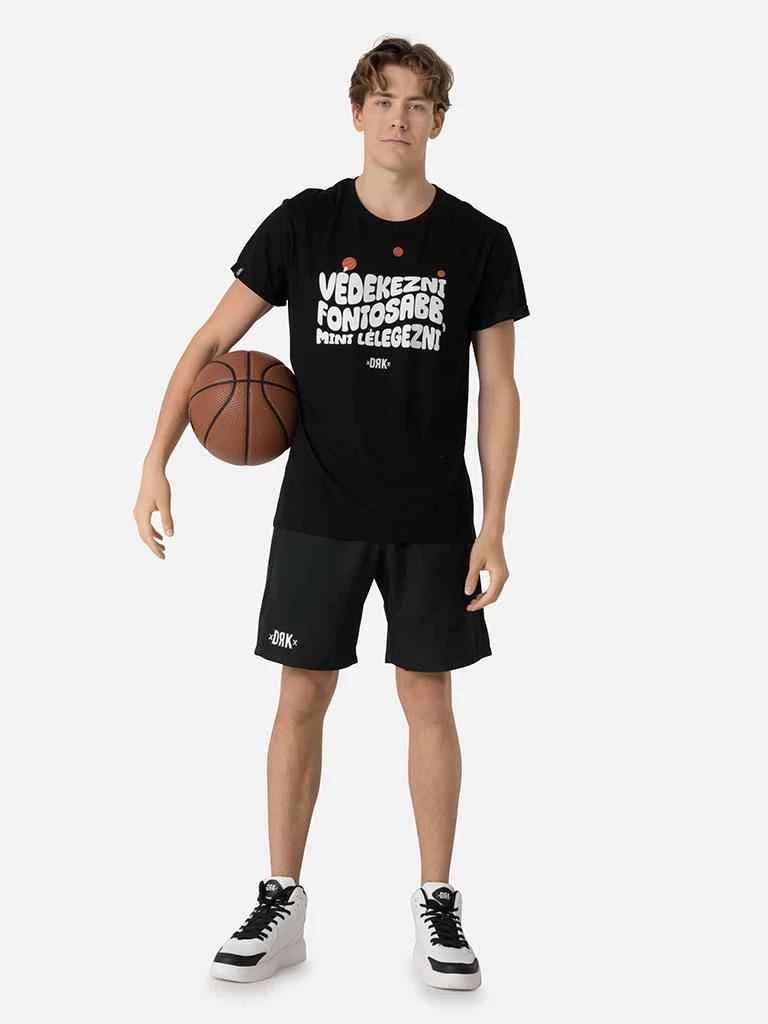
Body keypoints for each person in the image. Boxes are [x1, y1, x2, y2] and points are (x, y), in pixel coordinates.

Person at [133, 36, 529, 991]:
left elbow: (501, 389)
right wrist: (155, 459)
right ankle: (282, 901)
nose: (400, 117)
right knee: (300, 696)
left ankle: (438, 903)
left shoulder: (479, 240)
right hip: (318, 508)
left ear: (439, 121)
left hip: (433, 515)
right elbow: (212, 340)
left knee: (428, 700)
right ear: (357, 113)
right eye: (384, 100)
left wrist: (495, 523)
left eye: (419, 103)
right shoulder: (303, 224)